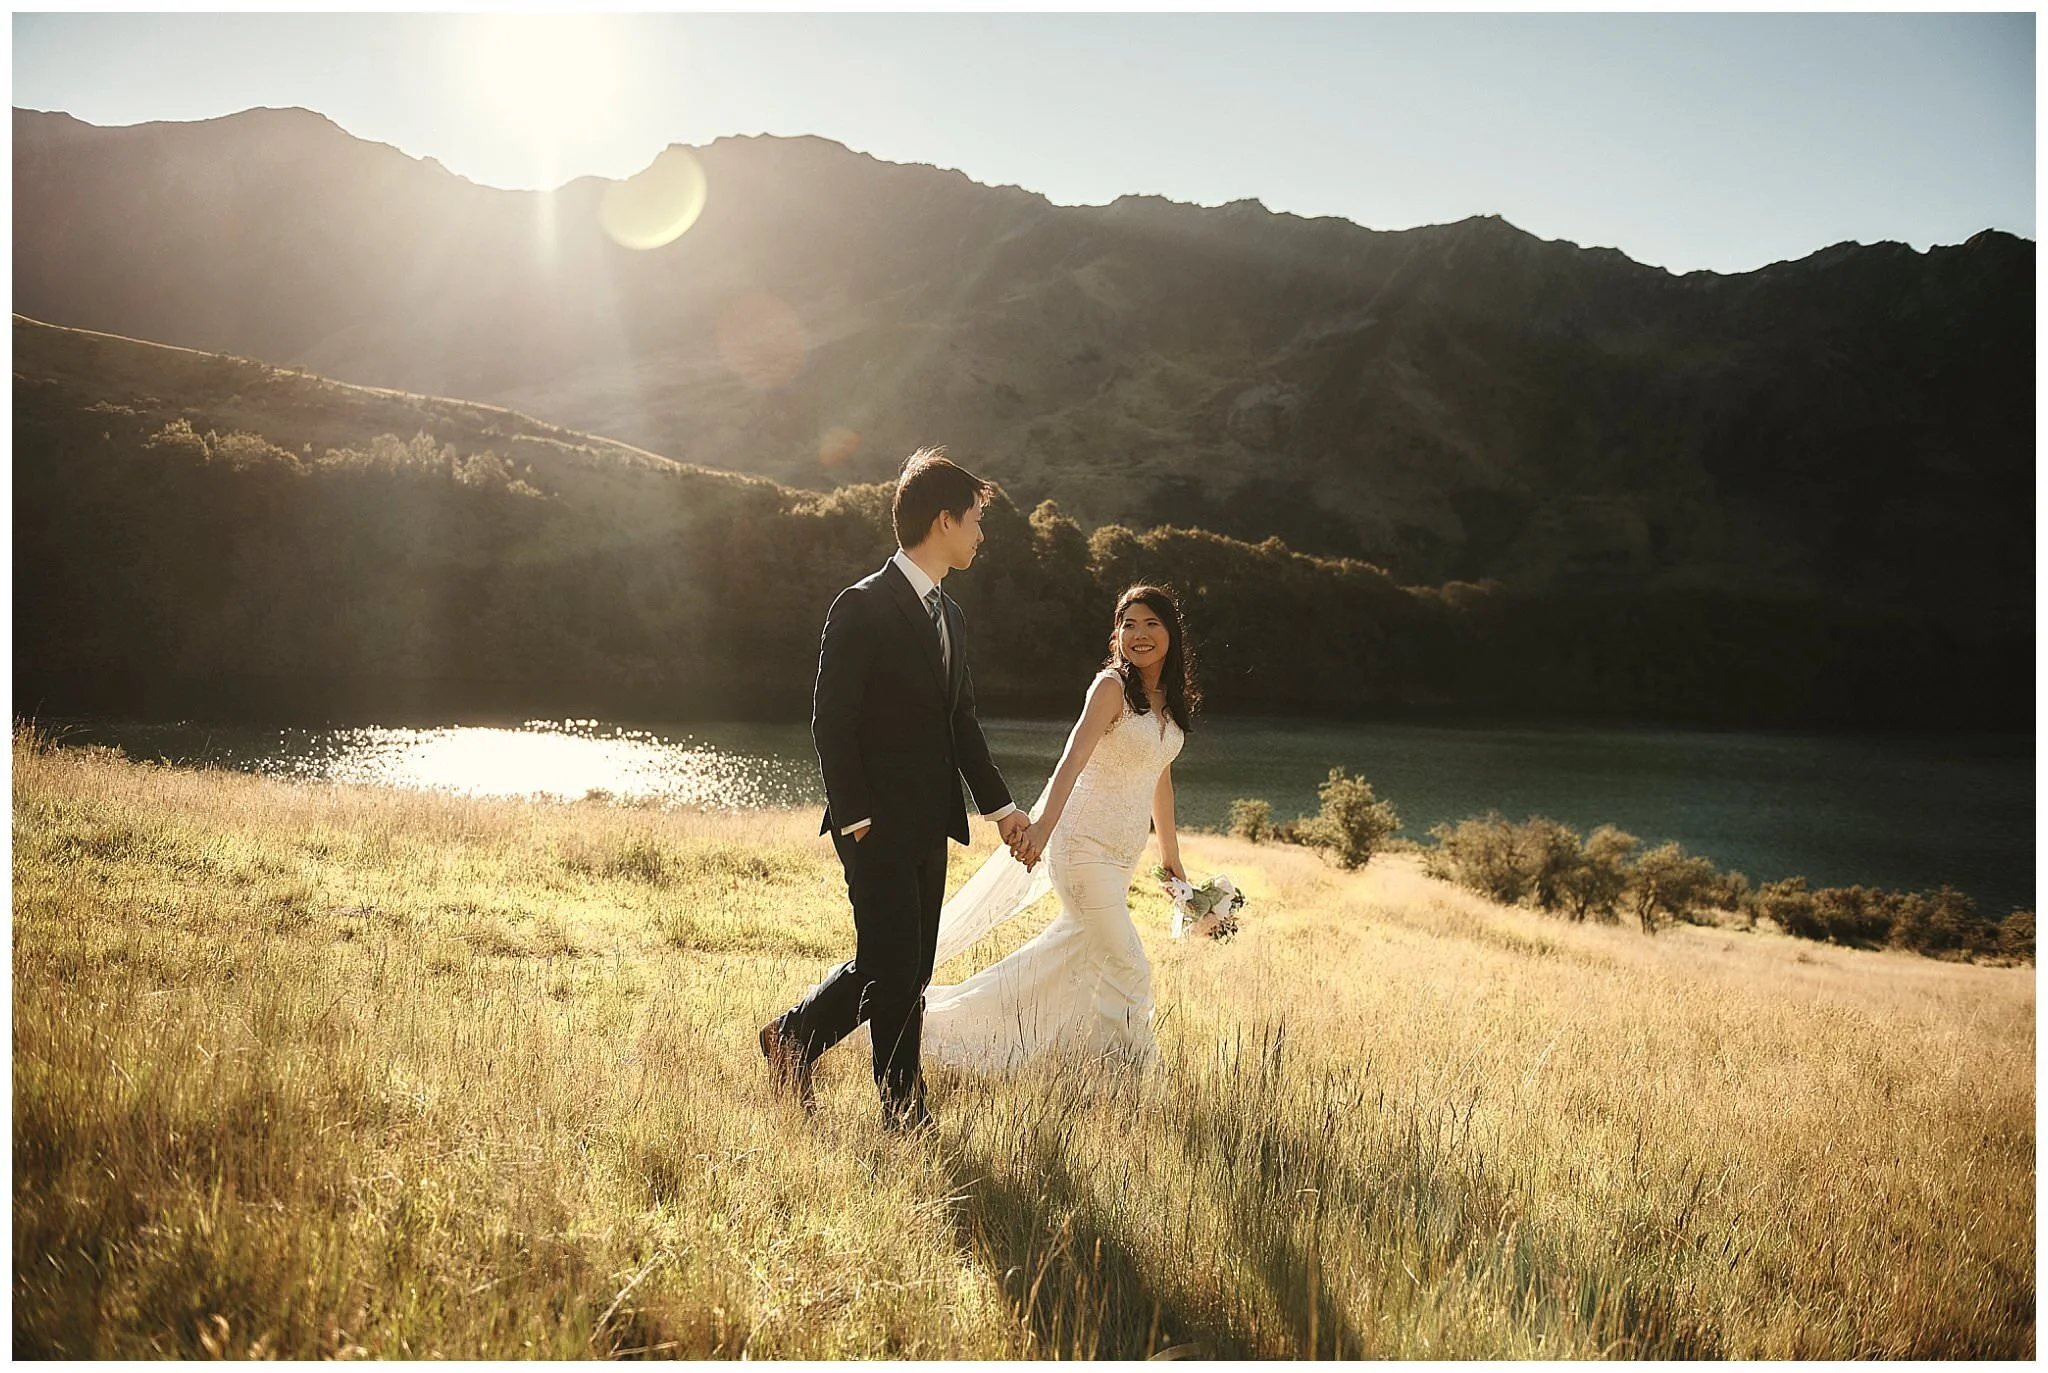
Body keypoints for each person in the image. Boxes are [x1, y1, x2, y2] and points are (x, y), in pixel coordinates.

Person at [759, 448, 1031, 1133]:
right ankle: (889, 1099)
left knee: (906, 969)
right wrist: (854, 818)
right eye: (975, 521)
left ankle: (811, 1051)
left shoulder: (954, 620)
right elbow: (831, 719)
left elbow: (960, 722)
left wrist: (1001, 809)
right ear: (943, 520)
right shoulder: (862, 605)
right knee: (891, 961)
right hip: (873, 825)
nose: (980, 535)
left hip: (931, 823)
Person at [917, 584, 1198, 1072]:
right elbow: (1073, 758)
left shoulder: (1169, 701)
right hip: (1081, 847)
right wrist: (1044, 827)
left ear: (1172, 633)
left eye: (1151, 623)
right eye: (1128, 624)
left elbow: (1161, 779)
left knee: (1065, 963)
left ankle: (932, 1024)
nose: (1139, 634)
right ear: (1116, 635)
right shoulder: (1111, 688)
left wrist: (1170, 859)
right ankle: (1129, 1084)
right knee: (1128, 963)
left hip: (1121, 855)